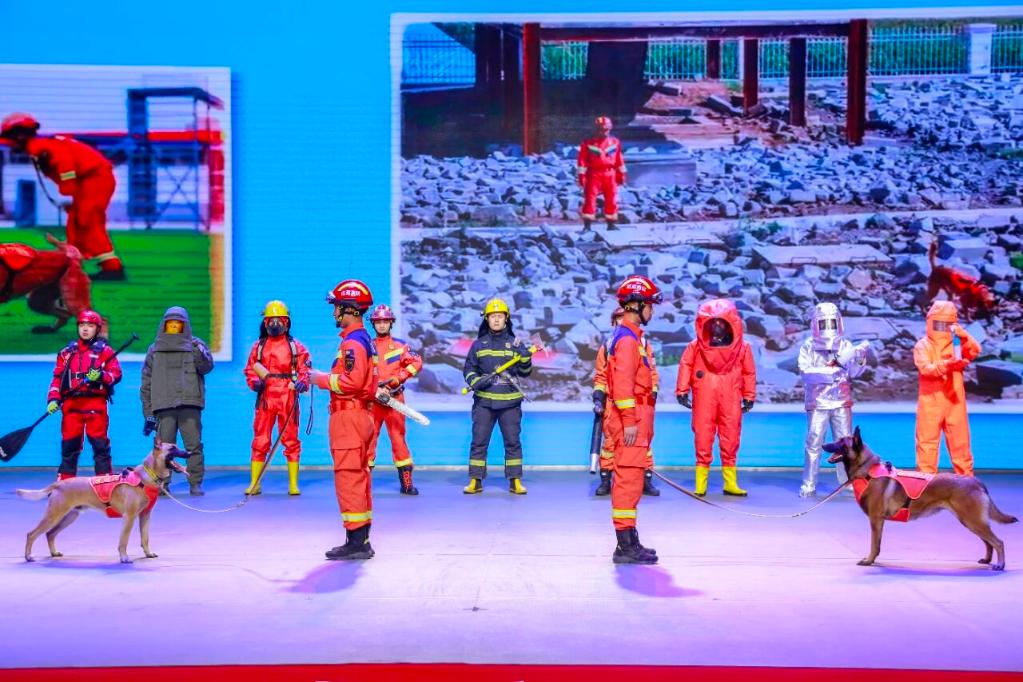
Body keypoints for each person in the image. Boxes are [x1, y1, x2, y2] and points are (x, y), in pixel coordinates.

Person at [1, 113, 124, 280]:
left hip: (94, 179)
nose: (10, 143)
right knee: (75, 222)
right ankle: (72, 265)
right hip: (89, 180)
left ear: (19, 135)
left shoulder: (39, 147)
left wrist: (68, 192)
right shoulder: (42, 145)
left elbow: (65, 164)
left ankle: (112, 267)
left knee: (88, 221)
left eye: (10, 137)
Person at [309, 279, 379, 560]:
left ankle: (357, 542)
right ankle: (360, 539)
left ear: (349, 309)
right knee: (358, 476)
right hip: (359, 415)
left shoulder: (353, 343)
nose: (334, 312)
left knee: (348, 476)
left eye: (337, 307)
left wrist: (318, 379)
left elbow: (351, 381)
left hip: (349, 417)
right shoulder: (363, 340)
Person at [603, 275, 661, 564]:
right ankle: (625, 547)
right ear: (636, 305)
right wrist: (629, 421)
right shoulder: (627, 340)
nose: (652, 310)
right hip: (632, 422)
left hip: (636, 420)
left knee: (633, 481)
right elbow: (623, 386)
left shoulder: (631, 337)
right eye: (649, 304)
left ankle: (629, 540)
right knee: (628, 482)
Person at [675, 299, 756, 497]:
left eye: (722, 321)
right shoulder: (696, 347)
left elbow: (748, 372)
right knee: (703, 436)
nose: (718, 325)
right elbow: (686, 365)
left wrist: (749, 395)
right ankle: (702, 484)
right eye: (714, 322)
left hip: (725, 394)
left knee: (730, 437)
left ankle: (729, 483)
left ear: (731, 324)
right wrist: (682, 390)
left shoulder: (742, 348)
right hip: (708, 394)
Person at [140, 307, 214, 496]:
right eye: (170, 324)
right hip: (164, 405)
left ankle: (195, 482)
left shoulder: (195, 345)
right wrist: (148, 413)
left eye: (178, 324)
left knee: (194, 446)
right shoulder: (154, 350)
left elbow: (206, 367)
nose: (174, 327)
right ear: (164, 326)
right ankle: (163, 483)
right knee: (163, 449)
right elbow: (146, 382)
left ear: (185, 326)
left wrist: (198, 351)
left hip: (189, 403)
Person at [797, 303, 869, 497]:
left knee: (847, 445)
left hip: (841, 401)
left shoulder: (845, 346)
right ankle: (809, 484)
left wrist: (860, 359)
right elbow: (805, 373)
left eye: (831, 322)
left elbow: (854, 373)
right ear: (815, 324)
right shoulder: (808, 346)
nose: (828, 327)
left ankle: (847, 482)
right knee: (813, 443)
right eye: (823, 323)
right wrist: (830, 372)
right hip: (818, 403)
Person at [462, 297, 532, 495]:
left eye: (500, 316)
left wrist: (525, 359)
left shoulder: (516, 344)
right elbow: (469, 369)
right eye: (492, 316)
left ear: (506, 319)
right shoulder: (478, 345)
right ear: (486, 319)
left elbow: (525, 372)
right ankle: (475, 480)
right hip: (484, 402)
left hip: (510, 402)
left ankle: (515, 480)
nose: (496, 320)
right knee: (479, 441)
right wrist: (475, 381)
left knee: (512, 442)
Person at [243, 300, 310, 496]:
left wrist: (302, 382)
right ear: (265, 323)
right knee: (260, 439)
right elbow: (250, 369)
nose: (274, 324)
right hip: (266, 396)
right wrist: (254, 382)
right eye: (270, 320)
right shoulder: (259, 346)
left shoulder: (295, 347)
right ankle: (254, 483)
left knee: (291, 439)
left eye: (279, 320)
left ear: (286, 322)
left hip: (288, 394)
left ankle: (293, 484)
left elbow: (305, 369)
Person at [592, 306, 659, 497]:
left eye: (624, 317)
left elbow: (652, 373)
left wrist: (652, 395)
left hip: (638, 405)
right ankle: (606, 479)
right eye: (618, 319)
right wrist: (598, 399)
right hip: (613, 404)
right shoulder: (607, 346)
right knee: (609, 443)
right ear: (613, 322)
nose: (622, 322)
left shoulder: (643, 344)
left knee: (643, 444)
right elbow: (601, 376)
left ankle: (645, 479)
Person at [47, 310, 121, 479]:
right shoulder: (66, 353)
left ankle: (104, 482)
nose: (85, 329)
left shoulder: (105, 352)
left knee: (100, 446)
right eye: (82, 325)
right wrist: (53, 399)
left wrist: (101, 376)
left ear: (97, 328)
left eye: (90, 325)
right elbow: (57, 378)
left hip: (95, 405)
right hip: (71, 405)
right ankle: (65, 484)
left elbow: (116, 374)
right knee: (69, 446)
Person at [914, 301, 981, 476]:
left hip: (954, 401)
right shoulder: (923, 345)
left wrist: (964, 336)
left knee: (960, 444)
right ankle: (926, 484)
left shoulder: (956, 344)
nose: (943, 329)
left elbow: (974, 351)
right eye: (939, 324)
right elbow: (926, 369)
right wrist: (947, 364)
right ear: (931, 322)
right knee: (927, 444)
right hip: (931, 402)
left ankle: (967, 484)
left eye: (947, 324)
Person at [368, 304, 423, 495]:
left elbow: (417, 362)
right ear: (373, 324)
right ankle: (363, 484)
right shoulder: (367, 346)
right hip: (373, 401)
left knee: (398, 440)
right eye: (378, 322)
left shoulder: (401, 346)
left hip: (394, 400)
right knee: (369, 441)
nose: (382, 325)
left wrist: (399, 378)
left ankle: (406, 484)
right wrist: (374, 388)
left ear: (391, 323)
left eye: (385, 321)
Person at [0, 235, 94, 334]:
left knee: (79, 308)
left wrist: (59, 244)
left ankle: (99, 334)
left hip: (68, 269)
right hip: (52, 272)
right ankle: (58, 323)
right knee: (37, 303)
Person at [577, 116, 626, 230]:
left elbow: (619, 159)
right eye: (601, 130)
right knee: (590, 199)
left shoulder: (615, 142)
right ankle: (587, 225)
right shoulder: (588, 143)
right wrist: (581, 176)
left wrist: (622, 174)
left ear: (610, 129)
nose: (603, 132)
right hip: (593, 174)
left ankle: (611, 223)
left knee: (611, 199)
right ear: (596, 129)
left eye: (606, 130)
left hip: (610, 173)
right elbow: (582, 161)